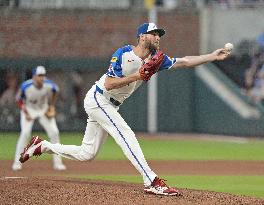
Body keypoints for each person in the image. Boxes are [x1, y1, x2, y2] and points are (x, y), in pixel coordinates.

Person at [18, 23, 230, 195]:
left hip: (111, 105)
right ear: (141, 37)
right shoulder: (124, 53)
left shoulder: (157, 59)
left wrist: (212, 56)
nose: (158, 37)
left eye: (159, 34)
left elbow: (183, 61)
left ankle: (42, 146)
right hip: (98, 98)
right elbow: (109, 83)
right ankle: (151, 180)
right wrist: (138, 75)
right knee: (126, 133)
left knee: (87, 154)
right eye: (153, 33)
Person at [12, 66, 66, 171]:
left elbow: (56, 91)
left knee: (54, 132)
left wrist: (52, 106)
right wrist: (25, 112)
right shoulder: (26, 86)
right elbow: (18, 99)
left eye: (43, 75)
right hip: (29, 110)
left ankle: (58, 163)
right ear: (34, 76)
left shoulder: (48, 84)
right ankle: (17, 162)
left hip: (43, 110)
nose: (42, 78)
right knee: (25, 133)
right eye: (39, 75)